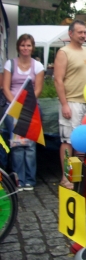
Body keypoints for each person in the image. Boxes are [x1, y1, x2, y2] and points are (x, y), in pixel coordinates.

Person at [54, 20, 86, 190]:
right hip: (71, 102)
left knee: (82, 142)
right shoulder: (64, 52)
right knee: (68, 142)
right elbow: (57, 80)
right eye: (80, 32)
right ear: (71, 34)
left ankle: (76, 175)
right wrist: (64, 104)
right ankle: (66, 177)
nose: (83, 35)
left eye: (85, 32)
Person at [3, 34, 44, 191]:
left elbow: (38, 89)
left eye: (28, 45)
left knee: (30, 145)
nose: (25, 48)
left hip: (30, 108)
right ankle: (18, 179)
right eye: (22, 45)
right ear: (18, 47)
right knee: (17, 145)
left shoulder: (37, 66)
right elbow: (6, 87)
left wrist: (26, 105)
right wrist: (15, 105)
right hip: (12, 107)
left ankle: (30, 180)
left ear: (32, 48)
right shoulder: (10, 64)